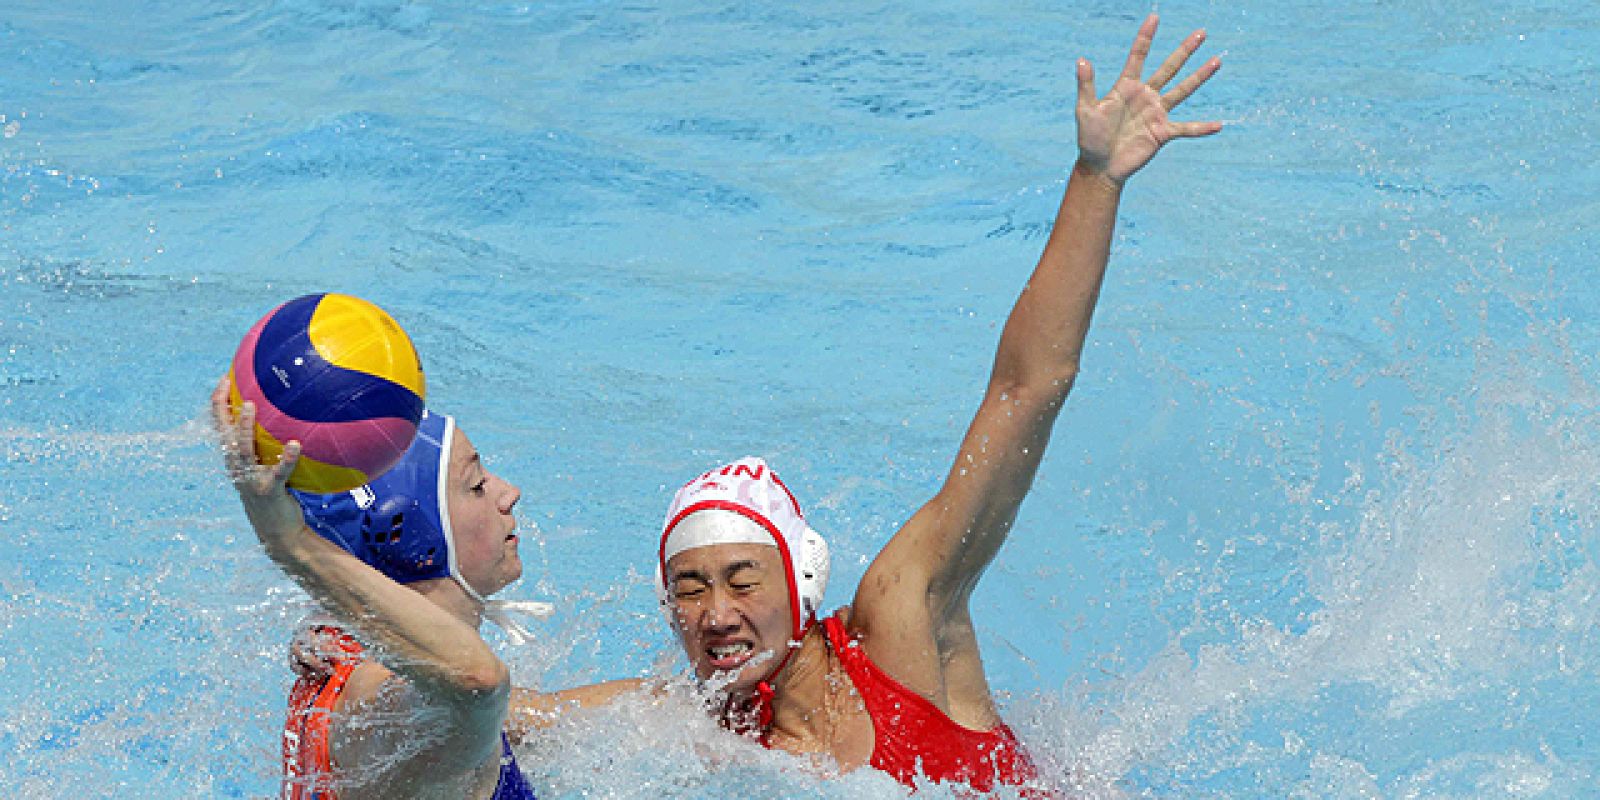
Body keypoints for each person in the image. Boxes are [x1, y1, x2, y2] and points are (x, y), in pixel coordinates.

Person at [279, 13, 1222, 795]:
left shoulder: (900, 620)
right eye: (689, 590)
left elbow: (1027, 390)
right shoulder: (688, 726)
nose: (716, 614)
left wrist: (1095, 181)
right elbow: (495, 709)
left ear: (802, 583)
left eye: (741, 579)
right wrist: (352, 648)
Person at [216, 397, 636, 799]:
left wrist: (672, 703)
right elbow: (478, 682)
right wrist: (292, 545)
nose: (509, 493)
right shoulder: (382, 706)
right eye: (476, 485)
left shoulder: (372, 662)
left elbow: (537, 715)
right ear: (406, 535)